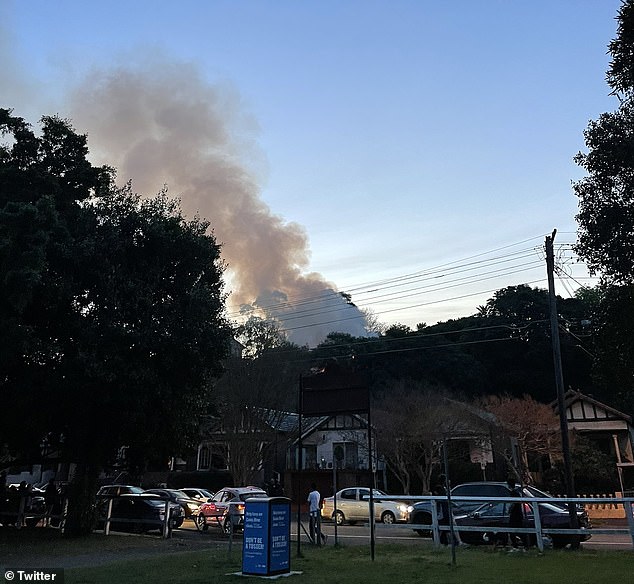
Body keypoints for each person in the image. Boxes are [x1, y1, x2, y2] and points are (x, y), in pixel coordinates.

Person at [507, 478, 526, 550]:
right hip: (518, 514)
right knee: (519, 529)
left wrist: (509, 510)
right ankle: (524, 545)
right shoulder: (517, 493)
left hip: (515, 514)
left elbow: (513, 504)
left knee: (512, 530)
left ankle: (515, 546)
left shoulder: (513, 493)